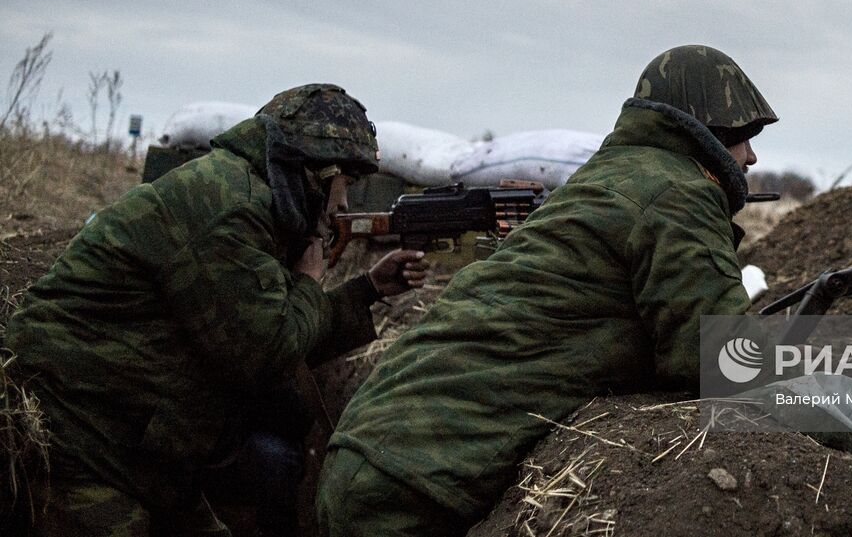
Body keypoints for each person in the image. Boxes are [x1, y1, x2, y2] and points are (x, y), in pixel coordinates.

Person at [316, 45, 778, 537]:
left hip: (375, 451)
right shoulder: (678, 192)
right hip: (408, 484)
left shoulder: (609, 178)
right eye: (745, 137)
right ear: (709, 135)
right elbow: (721, 360)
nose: (752, 156)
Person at [4, 84, 430, 537]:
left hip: (143, 449)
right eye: (343, 184)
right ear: (311, 174)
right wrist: (308, 280)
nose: (343, 204)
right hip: (76, 439)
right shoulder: (227, 209)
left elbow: (267, 325)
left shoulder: (251, 205)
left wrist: (367, 289)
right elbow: (266, 354)